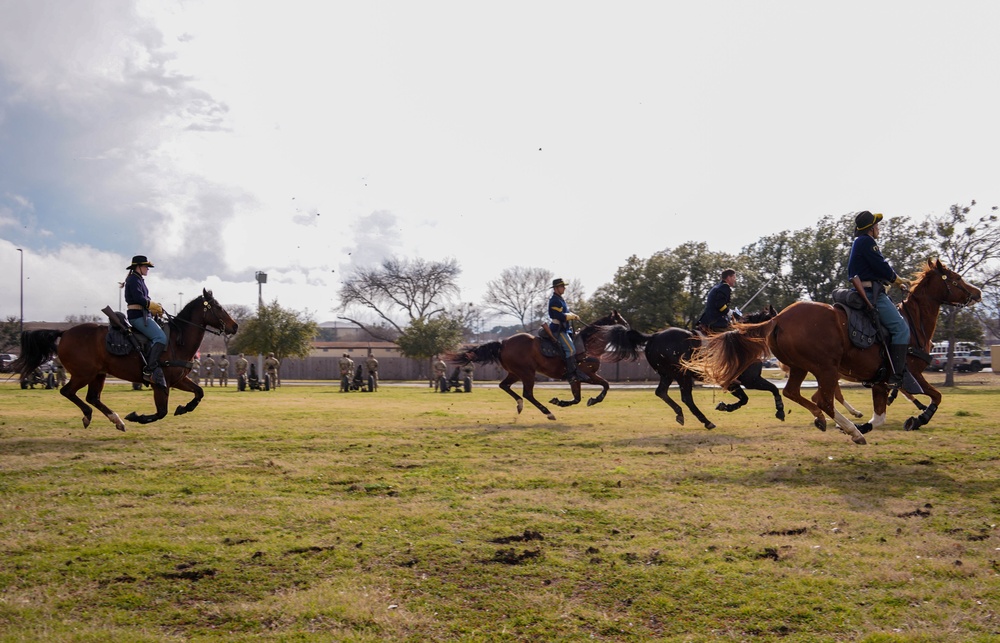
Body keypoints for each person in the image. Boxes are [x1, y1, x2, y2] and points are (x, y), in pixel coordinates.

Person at [847, 210, 920, 393]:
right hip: (872, 294)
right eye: (877, 225)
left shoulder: (859, 242)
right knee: (902, 329)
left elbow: (873, 269)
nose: (879, 228)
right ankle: (897, 375)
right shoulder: (868, 242)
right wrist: (898, 279)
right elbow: (881, 266)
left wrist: (894, 281)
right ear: (871, 229)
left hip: (866, 288)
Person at [123, 255, 168, 387]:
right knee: (160, 338)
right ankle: (150, 370)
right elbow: (139, 298)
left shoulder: (139, 279)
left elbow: (145, 298)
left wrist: (154, 308)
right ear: (138, 267)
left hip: (143, 314)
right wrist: (152, 305)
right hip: (137, 316)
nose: (148, 269)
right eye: (146, 266)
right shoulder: (133, 280)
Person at [548, 278, 586, 382]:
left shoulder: (560, 299)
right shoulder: (555, 300)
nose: (564, 288)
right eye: (562, 286)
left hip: (564, 329)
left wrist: (572, 315)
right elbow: (557, 315)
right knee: (571, 349)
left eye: (564, 286)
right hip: (558, 329)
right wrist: (570, 316)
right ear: (556, 288)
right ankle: (571, 374)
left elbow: (565, 312)